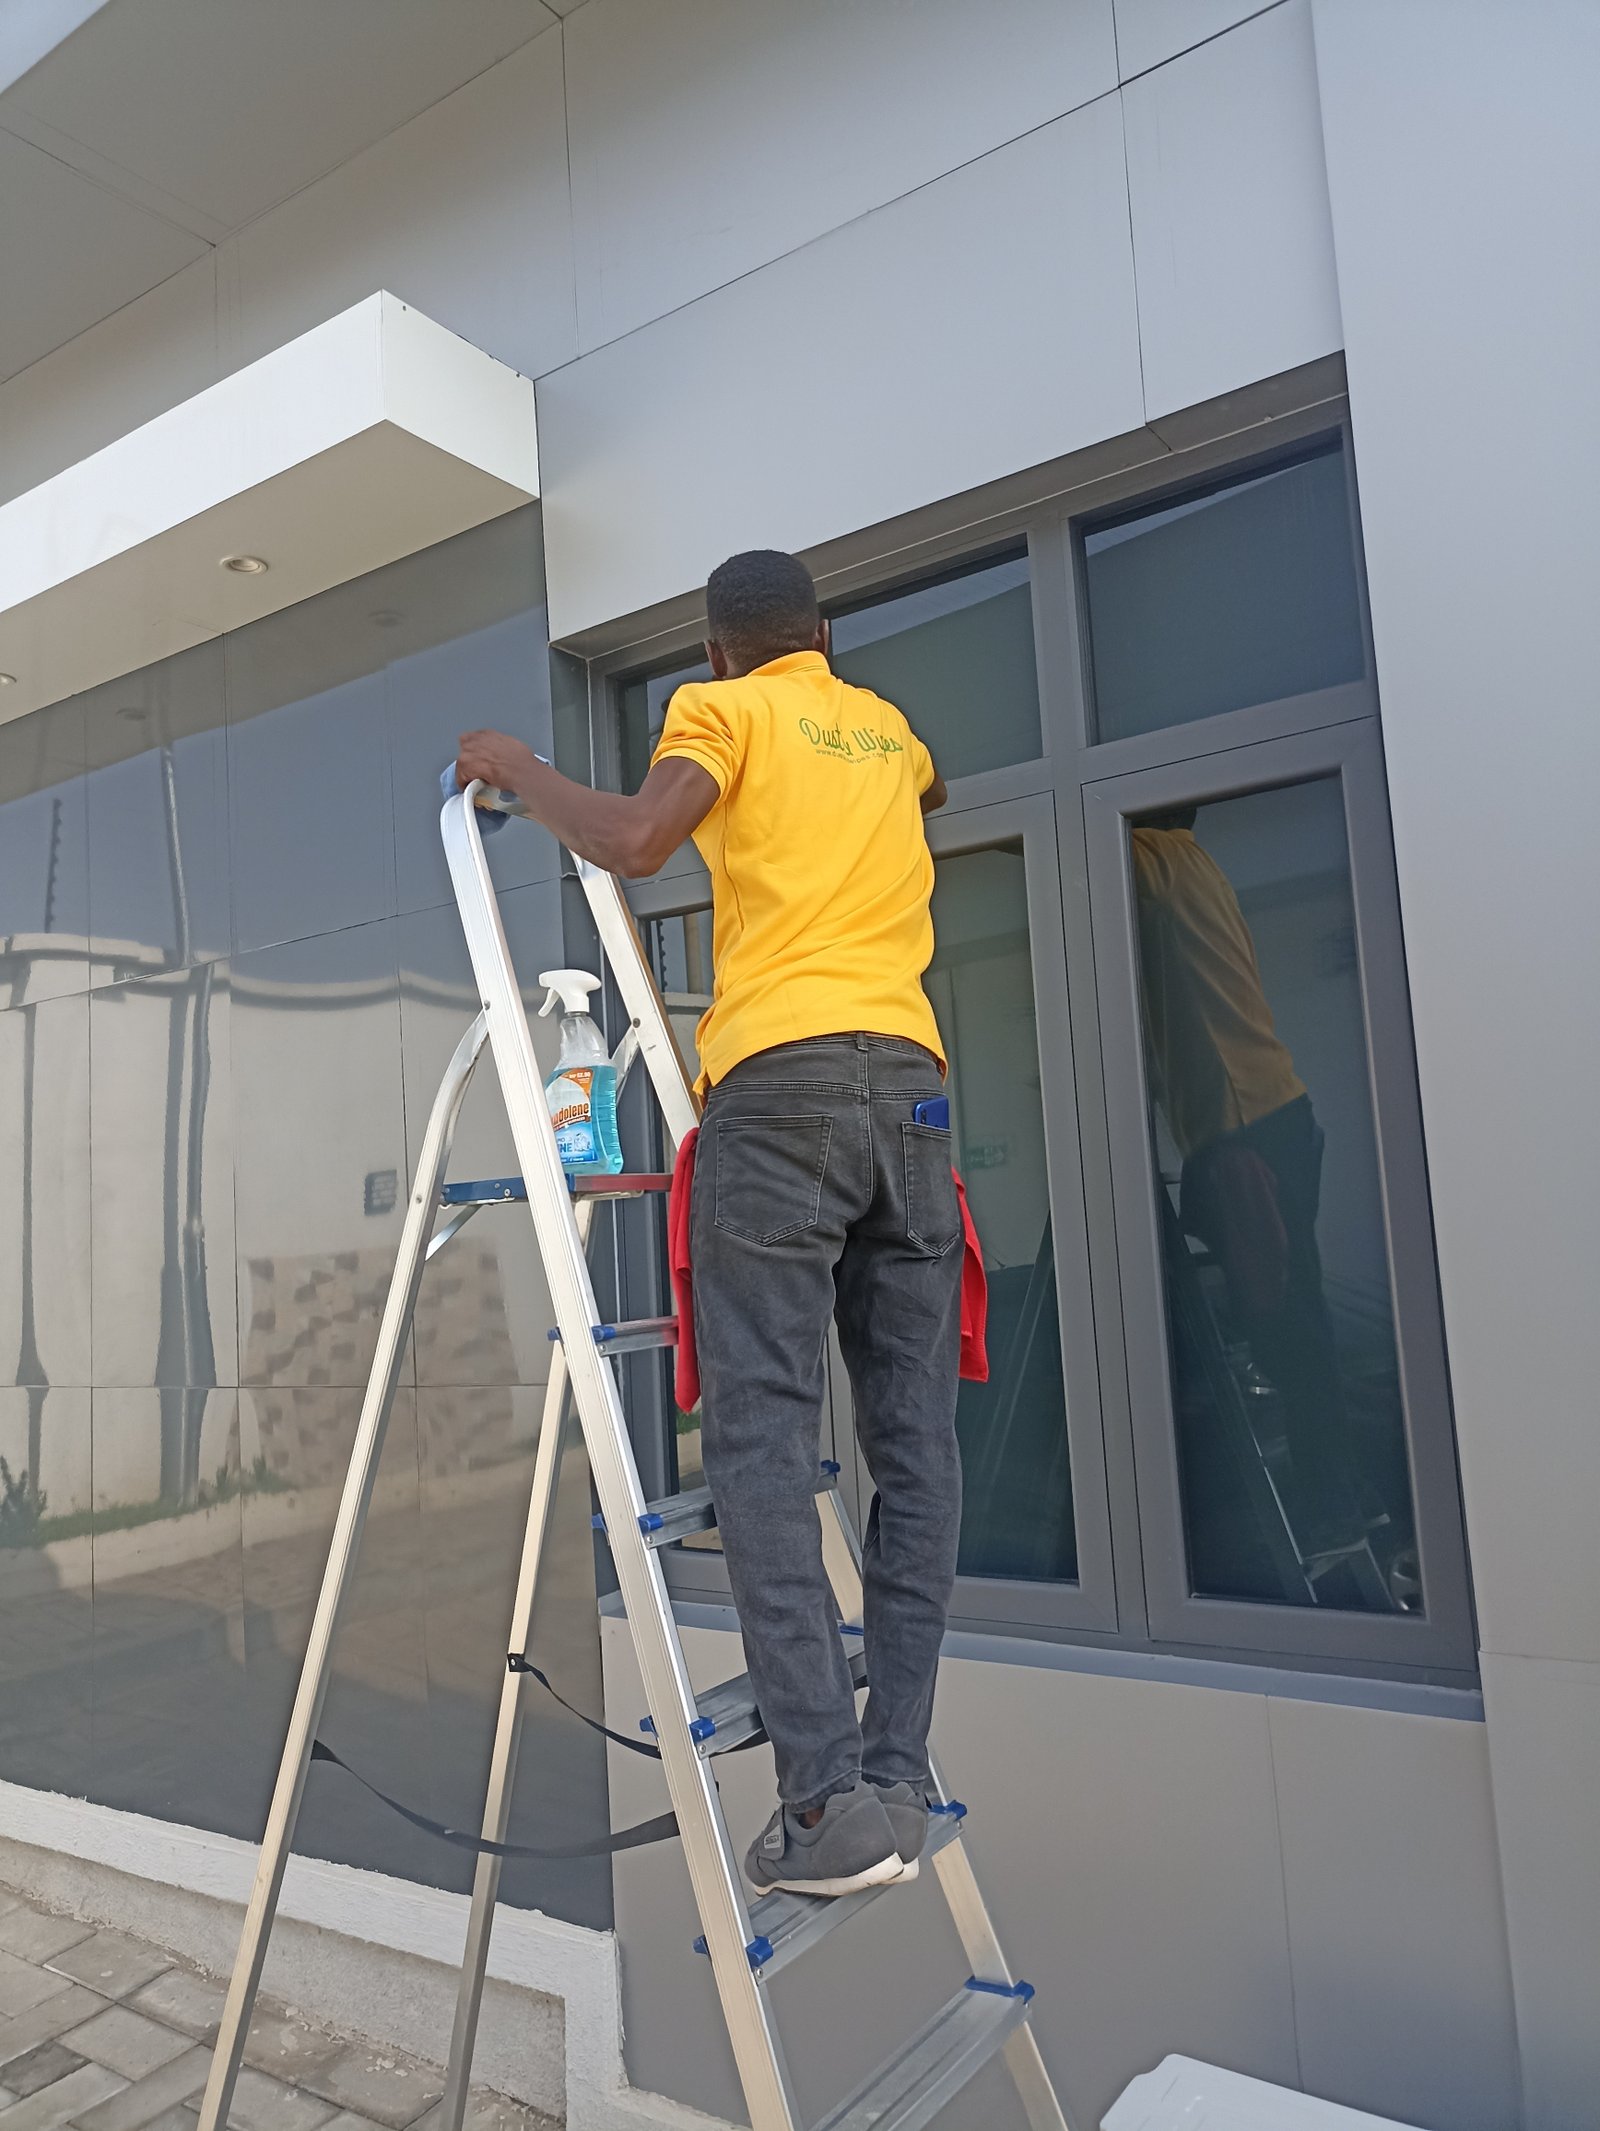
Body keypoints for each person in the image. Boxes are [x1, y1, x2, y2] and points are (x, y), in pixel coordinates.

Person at [456, 549, 959, 1900]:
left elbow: (634, 838)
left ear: (719, 648)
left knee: (758, 1433)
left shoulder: (720, 710)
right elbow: (924, 785)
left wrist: (513, 757)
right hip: (913, 1091)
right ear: (826, 632)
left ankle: (823, 1802)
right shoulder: (888, 728)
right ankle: (897, 1769)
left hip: (784, 1083)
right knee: (913, 1444)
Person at [1131, 806, 1365, 1558]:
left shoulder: (1157, 854)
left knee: (1284, 1328)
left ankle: (1334, 1510)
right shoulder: (1199, 862)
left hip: (1243, 1131)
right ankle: (1342, 1502)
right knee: (1297, 1324)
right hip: (1274, 1115)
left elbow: (1065, 834)